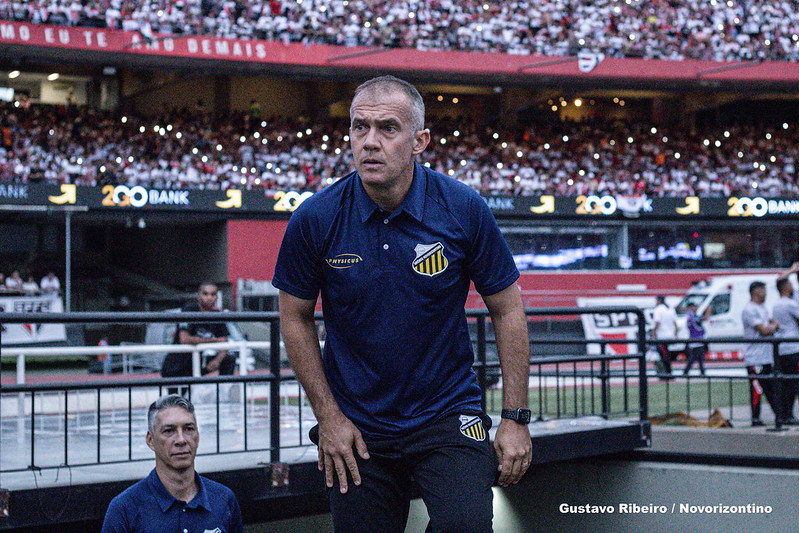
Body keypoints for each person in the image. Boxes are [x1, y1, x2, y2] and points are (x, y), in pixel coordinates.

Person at [272, 75, 532, 533]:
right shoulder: (315, 217)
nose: (369, 142)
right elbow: (293, 317)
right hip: (357, 425)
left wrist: (514, 418)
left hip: (450, 413)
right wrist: (328, 418)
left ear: (420, 141)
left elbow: (507, 309)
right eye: (359, 127)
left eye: (388, 128)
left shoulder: (462, 208)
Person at [101, 395, 243, 533]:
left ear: (198, 437)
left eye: (188, 429)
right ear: (150, 440)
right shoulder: (125, 508)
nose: (181, 440)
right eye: (169, 431)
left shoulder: (223, 499)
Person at [161, 282, 237, 380]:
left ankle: (224, 392)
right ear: (198, 296)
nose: (209, 298)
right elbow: (184, 339)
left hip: (196, 362)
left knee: (229, 359)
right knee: (179, 394)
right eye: (205, 294)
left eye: (213, 294)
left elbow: (224, 342)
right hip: (177, 366)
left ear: (217, 297)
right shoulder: (189, 310)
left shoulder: (217, 315)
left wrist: (217, 361)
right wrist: (215, 341)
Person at [742, 281, 779, 426]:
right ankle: (755, 419)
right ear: (755, 292)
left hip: (766, 356)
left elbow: (773, 323)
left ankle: (779, 416)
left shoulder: (763, 308)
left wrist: (772, 326)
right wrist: (773, 326)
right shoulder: (749, 310)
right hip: (755, 358)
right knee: (757, 391)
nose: (766, 293)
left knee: (771, 389)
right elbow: (764, 330)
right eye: (763, 290)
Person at [773, 267, 799, 425]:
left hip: (782, 348)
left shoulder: (776, 305)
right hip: (793, 347)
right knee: (792, 383)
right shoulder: (790, 304)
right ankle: (788, 415)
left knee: (785, 383)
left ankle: (783, 415)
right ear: (785, 287)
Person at [651, 295, 678, 376]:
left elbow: (657, 322)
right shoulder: (670, 309)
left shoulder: (658, 310)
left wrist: (654, 334)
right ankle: (668, 370)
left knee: (664, 355)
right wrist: (676, 334)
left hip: (662, 336)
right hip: (670, 335)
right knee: (666, 354)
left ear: (659, 301)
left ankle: (667, 371)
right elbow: (675, 323)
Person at [684, 302, 709, 375]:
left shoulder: (690, 315)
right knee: (694, 357)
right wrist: (708, 312)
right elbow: (702, 319)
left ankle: (702, 371)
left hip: (697, 339)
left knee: (699, 357)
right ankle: (686, 371)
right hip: (696, 340)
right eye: (695, 306)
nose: (696, 308)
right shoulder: (692, 316)